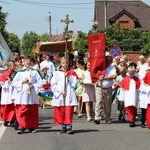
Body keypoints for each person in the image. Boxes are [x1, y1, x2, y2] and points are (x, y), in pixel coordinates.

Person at [12, 56, 43, 134]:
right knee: (23, 111)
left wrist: (34, 86)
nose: (28, 62)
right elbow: (14, 83)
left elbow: (40, 82)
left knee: (31, 111)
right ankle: (22, 126)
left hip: (32, 94)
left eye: (29, 61)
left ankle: (31, 127)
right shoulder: (19, 72)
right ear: (23, 62)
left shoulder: (35, 72)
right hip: (22, 95)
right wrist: (22, 81)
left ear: (32, 62)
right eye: (26, 61)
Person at [51, 57, 78, 134]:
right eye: (63, 63)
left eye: (66, 63)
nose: (65, 64)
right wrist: (60, 91)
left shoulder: (72, 72)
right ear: (60, 64)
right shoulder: (57, 73)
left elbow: (74, 84)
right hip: (60, 94)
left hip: (69, 93)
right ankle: (63, 126)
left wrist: (69, 76)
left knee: (68, 110)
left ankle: (69, 125)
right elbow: (53, 84)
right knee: (61, 110)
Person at [94, 55, 117, 124]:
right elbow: (94, 74)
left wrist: (104, 78)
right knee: (99, 101)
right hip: (99, 86)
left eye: (110, 61)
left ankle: (107, 118)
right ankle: (97, 117)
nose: (108, 62)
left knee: (107, 103)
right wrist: (98, 77)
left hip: (108, 88)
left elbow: (114, 76)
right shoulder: (100, 66)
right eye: (107, 60)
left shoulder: (112, 67)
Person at [119, 63, 141, 127]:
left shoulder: (137, 79)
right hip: (127, 96)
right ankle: (131, 120)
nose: (131, 74)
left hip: (135, 96)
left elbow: (139, 88)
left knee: (134, 108)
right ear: (128, 72)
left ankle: (132, 119)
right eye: (130, 73)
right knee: (128, 108)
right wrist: (121, 98)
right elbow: (122, 89)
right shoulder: (125, 79)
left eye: (133, 73)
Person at [0, 60, 16, 127]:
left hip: (13, 93)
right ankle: (6, 120)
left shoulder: (16, 73)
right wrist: (8, 81)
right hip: (6, 94)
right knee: (6, 108)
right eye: (13, 66)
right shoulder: (4, 74)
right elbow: (2, 84)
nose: (14, 67)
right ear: (9, 66)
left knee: (13, 108)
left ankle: (12, 120)